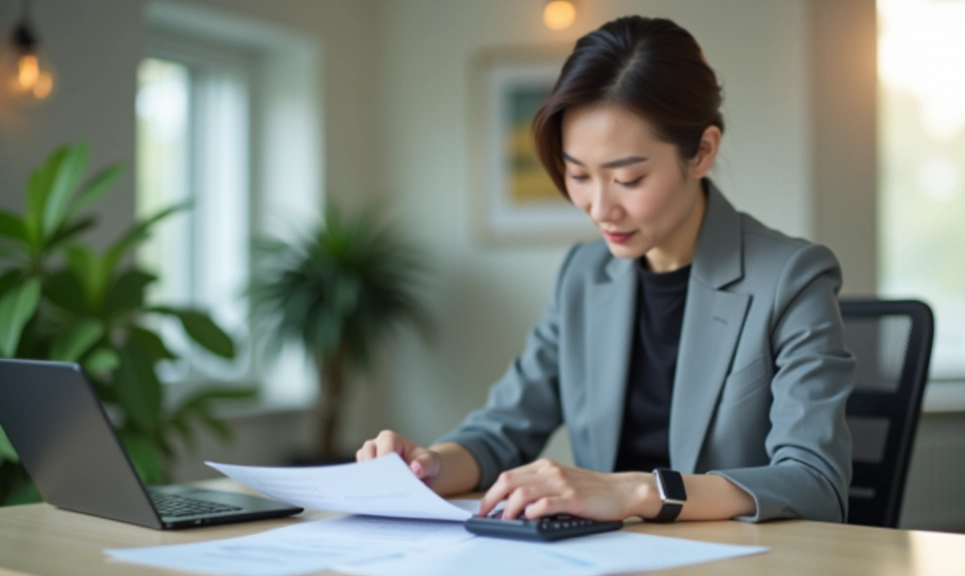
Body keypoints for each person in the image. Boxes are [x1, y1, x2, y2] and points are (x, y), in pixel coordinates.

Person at [357, 15, 854, 524]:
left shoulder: (791, 279)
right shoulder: (583, 274)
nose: (599, 208)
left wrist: (637, 491)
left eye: (629, 179)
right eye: (578, 175)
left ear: (702, 152)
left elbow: (815, 481)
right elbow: (502, 430)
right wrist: (427, 465)